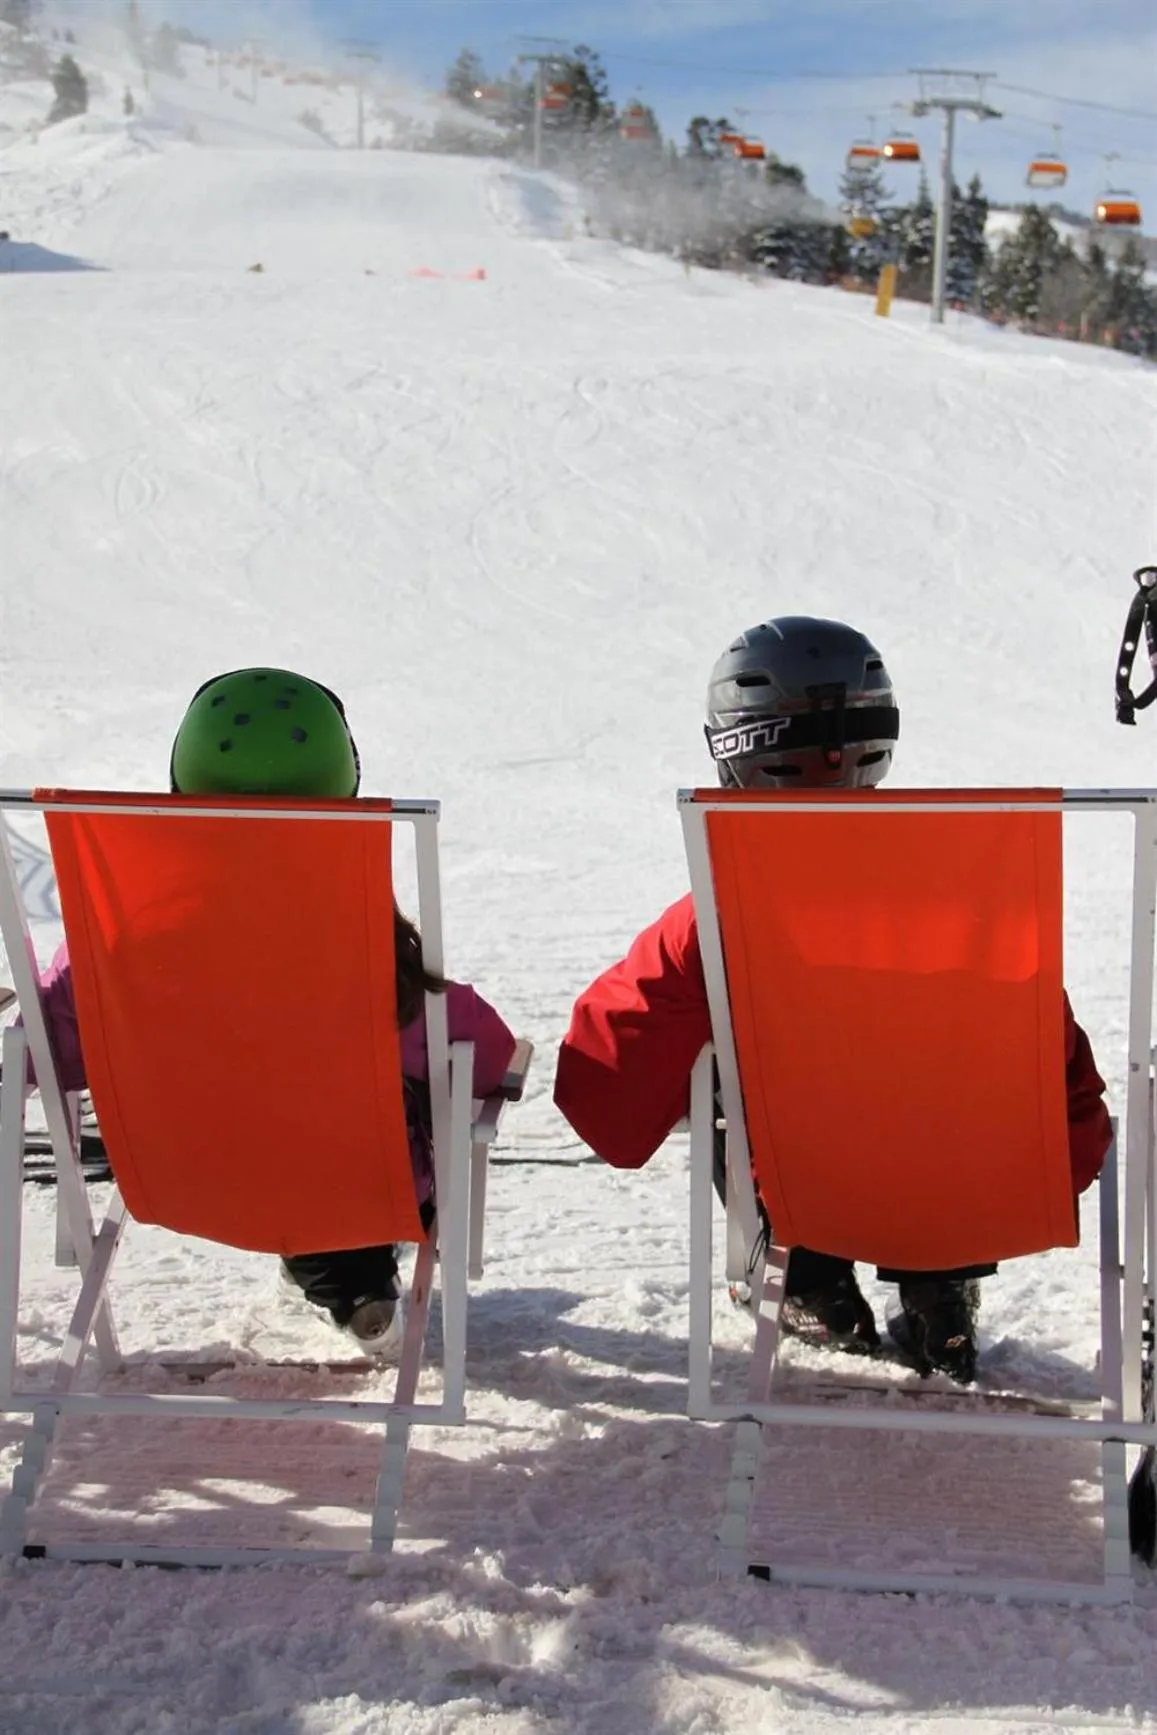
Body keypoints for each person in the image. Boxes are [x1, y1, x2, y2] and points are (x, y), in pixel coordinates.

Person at [553, 616, 1112, 1384]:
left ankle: (810, 1282)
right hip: (970, 1199)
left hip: (807, 1195)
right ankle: (938, 1285)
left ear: (735, 746)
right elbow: (1068, 1098)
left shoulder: (715, 919)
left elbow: (606, 1095)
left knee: (719, 1065)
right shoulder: (976, 900)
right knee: (959, 1049)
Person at [28, 667, 516, 1357]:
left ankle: (343, 1280)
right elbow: (482, 1058)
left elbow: (44, 1047)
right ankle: (353, 1283)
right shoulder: (373, 962)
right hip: (344, 1190)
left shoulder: (116, 951)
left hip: (178, 1183)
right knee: (352, 1138)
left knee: (270, 1129)